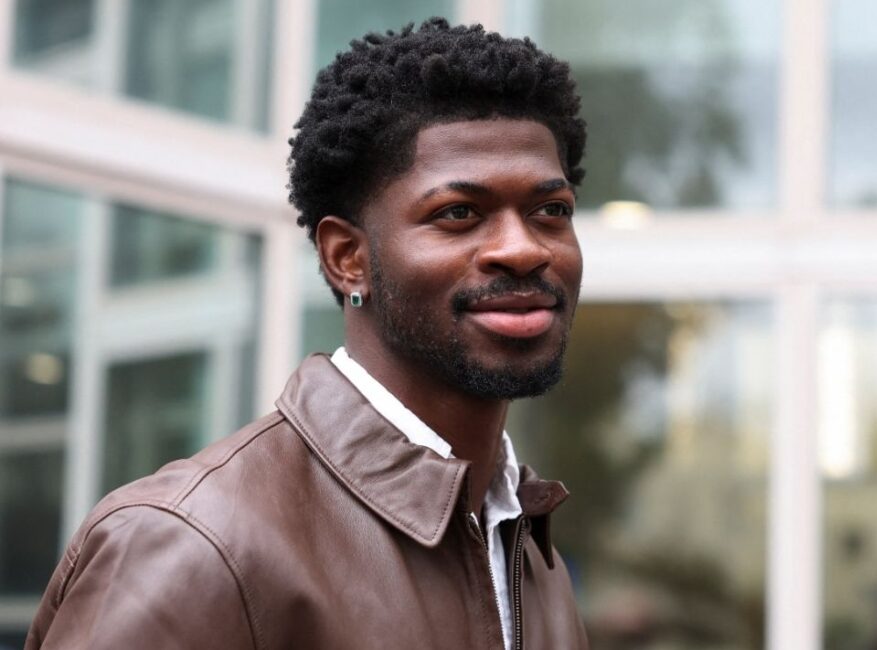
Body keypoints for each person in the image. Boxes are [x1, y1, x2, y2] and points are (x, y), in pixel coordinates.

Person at [26, 18, 589, 649]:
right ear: (347, 258)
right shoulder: (193, 543)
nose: (523, 248)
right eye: (458, 213)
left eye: (551, 211)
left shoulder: (526, 547)